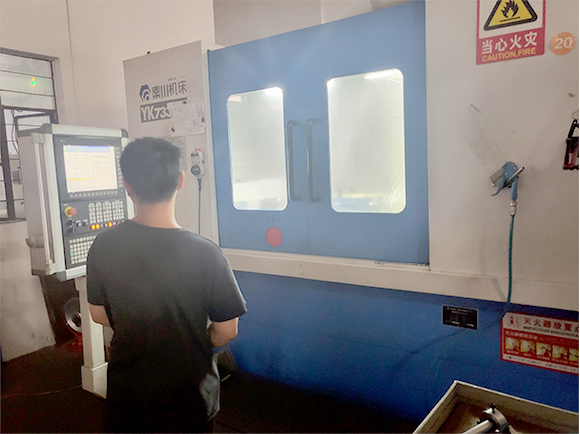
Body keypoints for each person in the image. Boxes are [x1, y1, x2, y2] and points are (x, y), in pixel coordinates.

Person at [87, 137, 246, 433]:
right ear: (180, 181)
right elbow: (227, 330)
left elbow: (97, 314)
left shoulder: (103, 244)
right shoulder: (206, 253)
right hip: (190, 398)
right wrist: (188, 339)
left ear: (127, 185)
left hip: (128, 397)